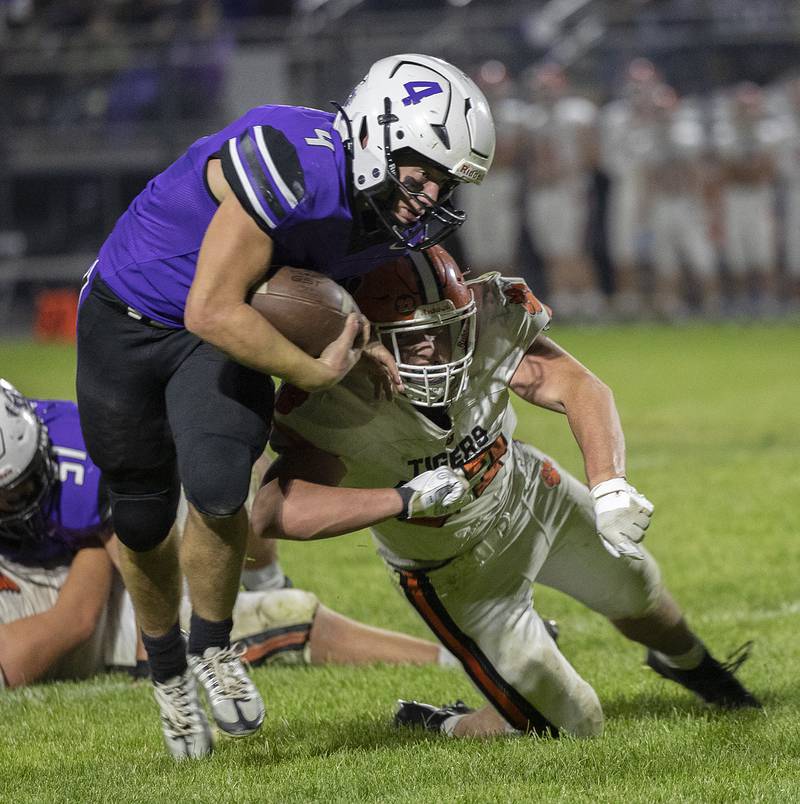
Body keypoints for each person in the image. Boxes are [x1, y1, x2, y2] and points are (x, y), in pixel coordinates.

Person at [75, 53, 495, 758]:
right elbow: (211, 307)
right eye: (418, 172)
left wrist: (357, 343)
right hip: (132, 315)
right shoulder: (289, 156)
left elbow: (301, 288)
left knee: (216, 487)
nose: (426, 195)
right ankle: (170, 672)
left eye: (442, 182)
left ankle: (213, 648)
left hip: (219, 331)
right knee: (142, 515)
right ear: (375, 133)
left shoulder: (377, 212)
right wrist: (320, 369)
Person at [249, 245, 761, 739]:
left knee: (640, 586)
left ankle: (693, 666)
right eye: (414, 338)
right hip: (458, 572)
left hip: (531, 494)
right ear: (369, 341)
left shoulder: (490, 319)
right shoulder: (339, 402)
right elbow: (274, 511)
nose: (437, 349)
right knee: (573, 723)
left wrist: (609, 484)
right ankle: (440, 723)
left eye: (446, 330)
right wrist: (403, 499)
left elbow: (578, 386)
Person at [0, 380, 463, 692]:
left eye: (22, 486)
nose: (18, 502)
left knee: (222, 475)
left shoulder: (73, 446)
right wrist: (92, 538)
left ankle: (267, 576)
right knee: (269, 618)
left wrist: (96, 528)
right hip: (78, 596)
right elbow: (69, 624)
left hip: (83, 555)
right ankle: (457, 661)